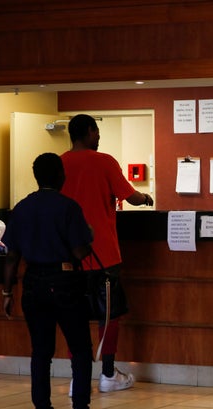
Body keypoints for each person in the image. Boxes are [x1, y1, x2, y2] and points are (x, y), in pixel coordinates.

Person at [1, 152, 106, 409]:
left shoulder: (21, 208)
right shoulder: (68, 207)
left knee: (41, 352)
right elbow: (80, 250)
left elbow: (12, 256)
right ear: (61, 175)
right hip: (65, 281)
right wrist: (90, 235)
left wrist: (7, 292)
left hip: (33, 283)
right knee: (80, 349)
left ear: (36, 177)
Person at [61, 114, 154, 393]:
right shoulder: (105, 162)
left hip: (70, 257)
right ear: (89, 132)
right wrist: (146, 198)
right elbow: (131, 196)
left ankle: (78, 376)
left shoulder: (60, 163)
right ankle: (108, 374)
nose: (99, 137)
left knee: (73, 316)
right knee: (109, 315)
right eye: (97, 132)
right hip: (104, 256)